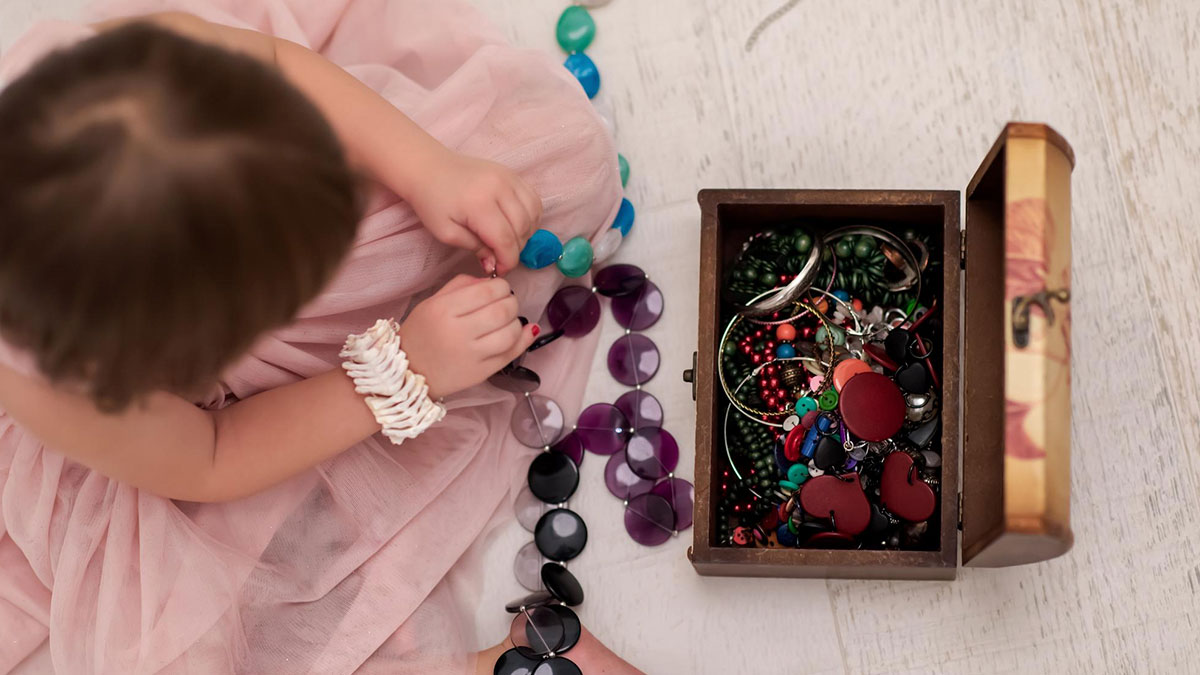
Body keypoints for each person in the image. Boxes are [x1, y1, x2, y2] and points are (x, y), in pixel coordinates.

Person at [0, 2, 637, 672]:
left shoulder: (123, 76)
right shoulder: (57, 379)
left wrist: (429, 170)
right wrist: (404, 368)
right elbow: (214, 453)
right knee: (205, 646)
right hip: (212, 434)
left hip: (310, 237)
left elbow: (280, 66)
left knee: (562, 153)